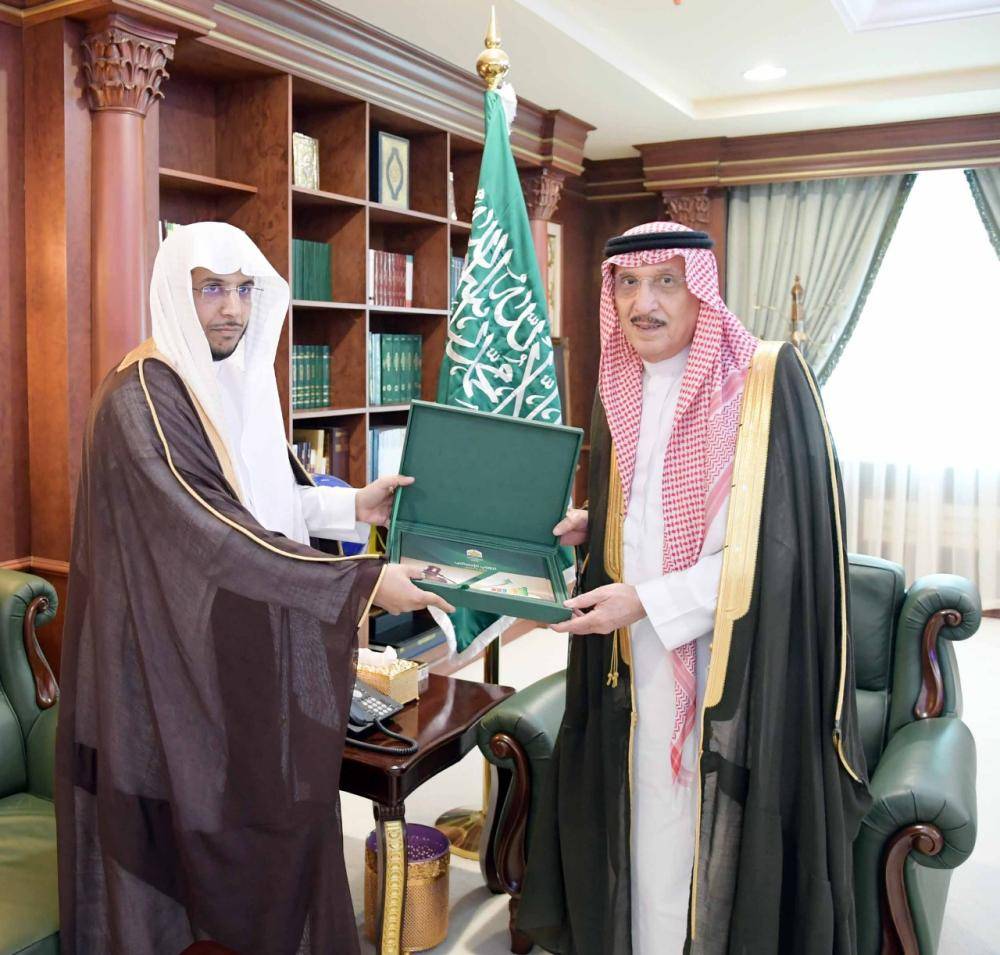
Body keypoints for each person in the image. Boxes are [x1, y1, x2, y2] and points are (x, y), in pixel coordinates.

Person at [55, 222, 452, 954]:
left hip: (237, 645)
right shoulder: (140, 400)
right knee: (178, 848)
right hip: (167, 664)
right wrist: (361, 583)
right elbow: (213, 535)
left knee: (261, 834)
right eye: (212, 289)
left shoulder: (229, 379)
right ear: (175, 292)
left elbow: (259, 499)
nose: (232, 309)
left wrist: (352, 505)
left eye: (244, 290)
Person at [516, 221, 871, 955]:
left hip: (735, 667)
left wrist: (649, 601)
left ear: (701, 291)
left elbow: (778, 552)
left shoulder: (765, 385)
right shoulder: (620, 380)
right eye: (628, 284)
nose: (643, 303)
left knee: (710, 830)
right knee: (647, 819)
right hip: (634, 658)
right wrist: (596, 522)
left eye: (665, 282)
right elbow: (648, 498)